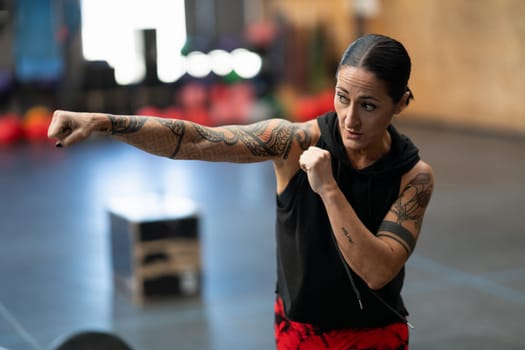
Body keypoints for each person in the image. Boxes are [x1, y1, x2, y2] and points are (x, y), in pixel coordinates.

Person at [48, 33, 434, 349]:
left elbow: (377, 271)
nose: (350, 119)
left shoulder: (413, 177)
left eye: (368, 105)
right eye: (342, 97)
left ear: (400, 103)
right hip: (303, 334)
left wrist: (329, 189)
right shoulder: (294, 142)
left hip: (378, 336)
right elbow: (200, 140)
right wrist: (104, 122)